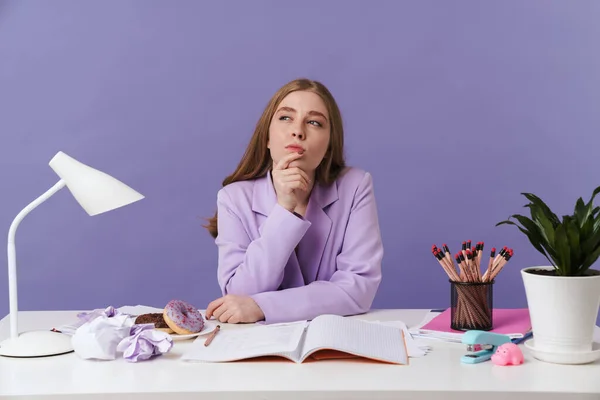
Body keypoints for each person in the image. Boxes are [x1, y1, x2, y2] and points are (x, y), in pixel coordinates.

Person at [204, 78, 383, 324]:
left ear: (329, 146)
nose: (298, 131)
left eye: (314, 122)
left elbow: (359, 288)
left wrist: (262, 306)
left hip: (333, 344)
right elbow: (238, 296)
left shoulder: (355, 185)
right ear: (267, 138)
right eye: (286, 118)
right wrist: (284, 207)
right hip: (258, 348)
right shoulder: (233, 198)